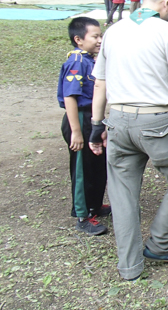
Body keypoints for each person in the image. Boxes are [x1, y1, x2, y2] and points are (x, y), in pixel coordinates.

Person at [89, 0, 168, 281]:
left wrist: (95, 125)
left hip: (117, 121)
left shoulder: (114, 31)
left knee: (122, 194)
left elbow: (100, 83)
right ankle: (159, 246)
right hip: (157, 122)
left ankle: (129, 267)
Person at [57, 17, 109, 236]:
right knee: (82, 170)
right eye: (95, 36)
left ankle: (94, 206)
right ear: (78, 39)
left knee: (97, 166)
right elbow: (70, 97)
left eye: (100, 35)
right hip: (79, 119)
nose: (99, 40)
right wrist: (76, 132)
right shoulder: (76, 61)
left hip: (91, 119)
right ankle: (82, 215)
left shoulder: (90, 59)